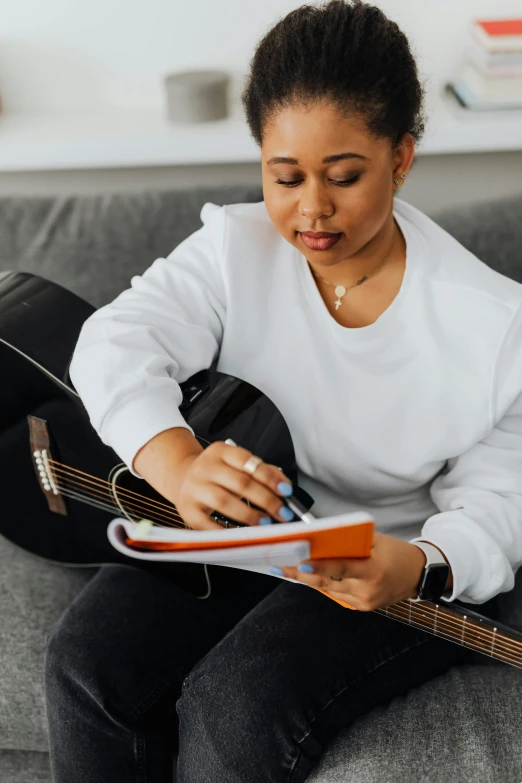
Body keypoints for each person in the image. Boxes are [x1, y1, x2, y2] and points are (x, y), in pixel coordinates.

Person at [44, 1, 522, 781]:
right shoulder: (236, 248)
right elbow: (115, 339)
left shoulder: (497, 324)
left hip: (387, 562)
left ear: (401, 159)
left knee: (231, 708)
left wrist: (415, 563)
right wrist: (177, 465)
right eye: (285, 175)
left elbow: (499, 510)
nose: (312, 209)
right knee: (86, 667)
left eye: (344, 177)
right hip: (242, 534)